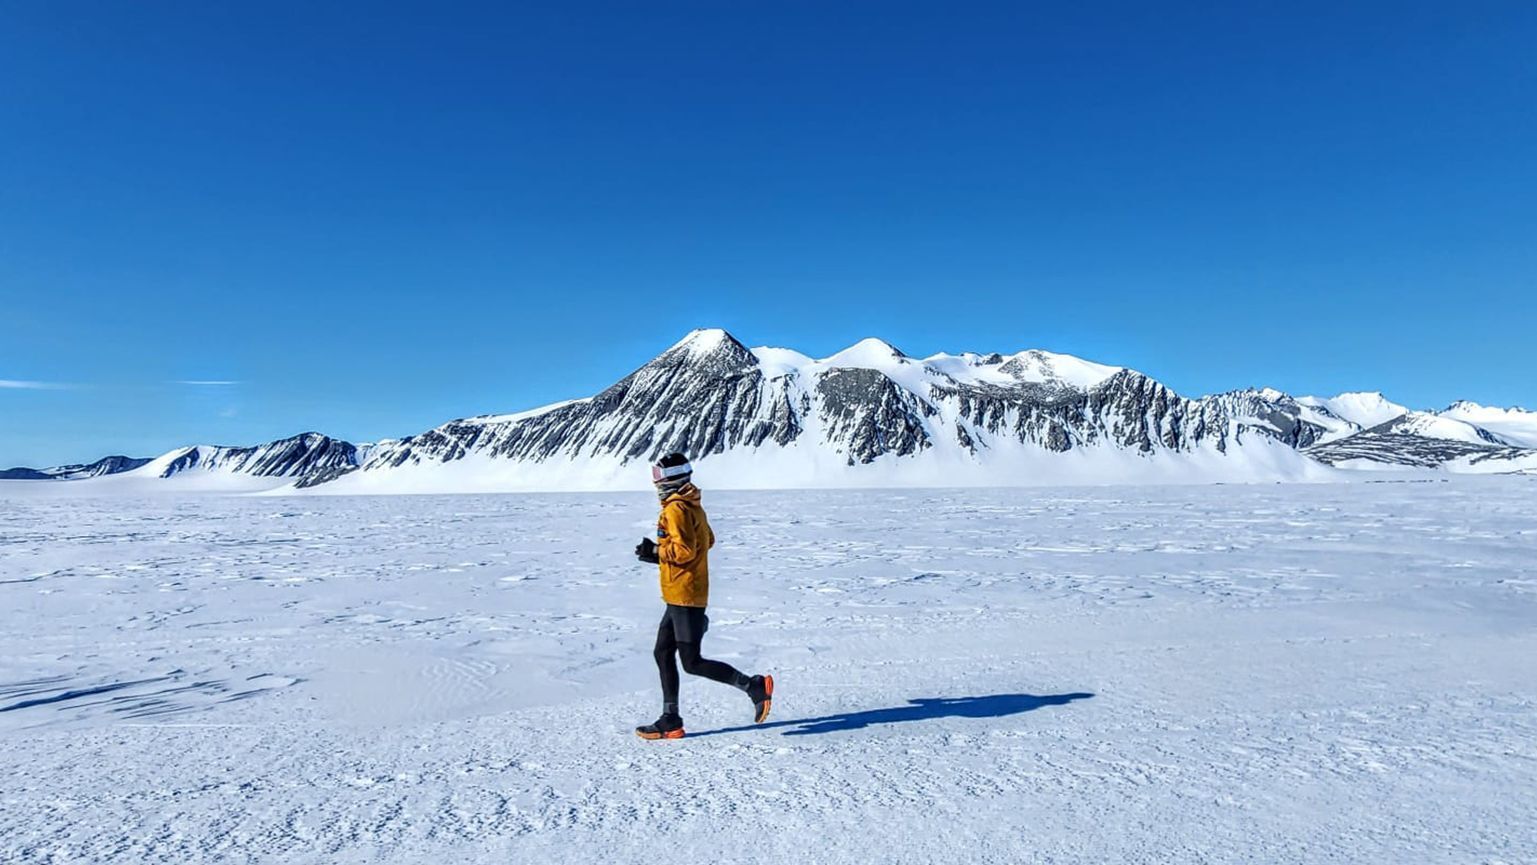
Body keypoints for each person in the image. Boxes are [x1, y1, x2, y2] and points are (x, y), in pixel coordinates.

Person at [634, 452, 773, 740]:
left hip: (685, 596)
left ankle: (753, 686)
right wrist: (660, 558)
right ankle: (670, 719)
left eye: (658, 475)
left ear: (672, 478)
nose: (655, 481)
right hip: (680, 593)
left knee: (691, 661)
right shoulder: (692, 504)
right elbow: (706, 541)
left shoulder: (676, 509)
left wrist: (657, 552)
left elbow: (685, 550)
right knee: (662, 652)